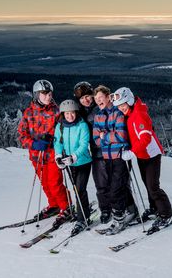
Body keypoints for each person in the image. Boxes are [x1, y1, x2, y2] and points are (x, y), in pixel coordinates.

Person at [111, 87, 172, 230]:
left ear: (130, 101)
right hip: (142, 155)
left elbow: (146, 138)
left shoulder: (139, 114)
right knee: (147, 184)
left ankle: (166, 214)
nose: (121, 109)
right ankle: (154, 208)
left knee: (153, 187)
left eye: (123, 105)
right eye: (119, 106)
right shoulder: (130, 114)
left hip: (151, 154)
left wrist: (132, 152)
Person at [73, 81, 137, 224]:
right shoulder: (81, 112)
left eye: (88, 96)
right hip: (97, 152)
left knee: (120, 183)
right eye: (82, 98)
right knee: (101, 183)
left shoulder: (105, 108)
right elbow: (93, 136)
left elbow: (121, 130)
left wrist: (106, 137)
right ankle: (106, 209)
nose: (86, 100)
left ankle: (129, 208)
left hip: (116, 152)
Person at [18, 80, 71, 227]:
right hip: (37, 156)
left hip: (53, 154)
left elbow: (63, 132)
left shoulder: (56, 111)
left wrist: (52, 139)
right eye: (44, 93)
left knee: (54, 183)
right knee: (45, 184)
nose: (48, 96)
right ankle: (54, 205)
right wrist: (34, 144)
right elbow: (22, 135)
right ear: (36, 95)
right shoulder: (29, 113)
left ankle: (66, 206)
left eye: (49, 93)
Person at [92, 85, 133, 235]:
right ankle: (132, 210)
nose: (98, 101)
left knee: (116, 189)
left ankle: (118, 221)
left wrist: (105, 136)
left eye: (101, 98)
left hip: (120, 156)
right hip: (107, 157)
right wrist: (108, 136)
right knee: (115, 186)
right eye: (96, 99)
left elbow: (122, 136)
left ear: (109, 97)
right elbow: (96, 140)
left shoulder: (118, 112)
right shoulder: (98, 116)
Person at [53, 99, 92, 236]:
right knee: (77, 189)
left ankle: (82, 219)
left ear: (76, 112)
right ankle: (84, 211)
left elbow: (83, 145)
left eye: (72, 113)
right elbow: (58, 142)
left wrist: (74, 157)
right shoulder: (60, 126)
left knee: (80, 189)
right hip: (70, 163)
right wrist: (58, 156)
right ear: (63, 114)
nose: (70, 116)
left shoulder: (82, 126)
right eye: (67, 113)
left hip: (83, 162)